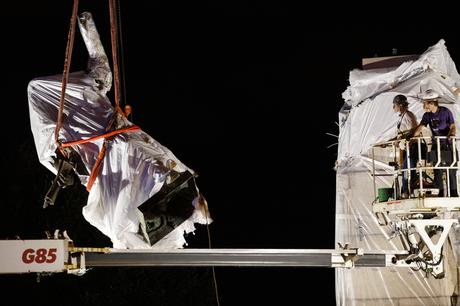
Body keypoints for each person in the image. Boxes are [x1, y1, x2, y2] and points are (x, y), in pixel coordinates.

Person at [413, 90, 457, 197]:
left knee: (450, 169)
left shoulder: (445, 112)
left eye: (425, 102)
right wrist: (413, 136)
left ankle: (454, 192)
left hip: (447, 145)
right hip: (436, 144)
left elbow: (452, 126)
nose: (424, 105)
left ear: (432, 103)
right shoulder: (427, 115)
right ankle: (441, 191)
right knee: (437, 169)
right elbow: (421, 126)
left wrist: (451, 135)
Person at [392, 94, 418, 198]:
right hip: (405, 148)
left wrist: (406, 141)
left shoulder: (408, 115)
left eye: (395, 105)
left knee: (409, 170)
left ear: (400, 105)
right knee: (404, 170)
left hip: (411, 147)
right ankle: (405, 191)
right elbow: (401, 133)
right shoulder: (402, 117)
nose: (394, 107)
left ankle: (408, 191)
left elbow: (413, 131)